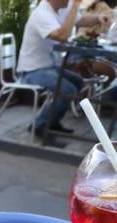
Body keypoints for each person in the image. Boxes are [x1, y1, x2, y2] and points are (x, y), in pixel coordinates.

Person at [17, 0, 112, 145]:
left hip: (48, 66)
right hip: (32, 70)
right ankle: (40, 126)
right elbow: (62, 36)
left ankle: (52, 122)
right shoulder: (41, 13)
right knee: (68, 89)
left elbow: (81, 20)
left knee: (78, 82)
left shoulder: (61, 9)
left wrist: (98, 18)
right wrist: (74, 6)